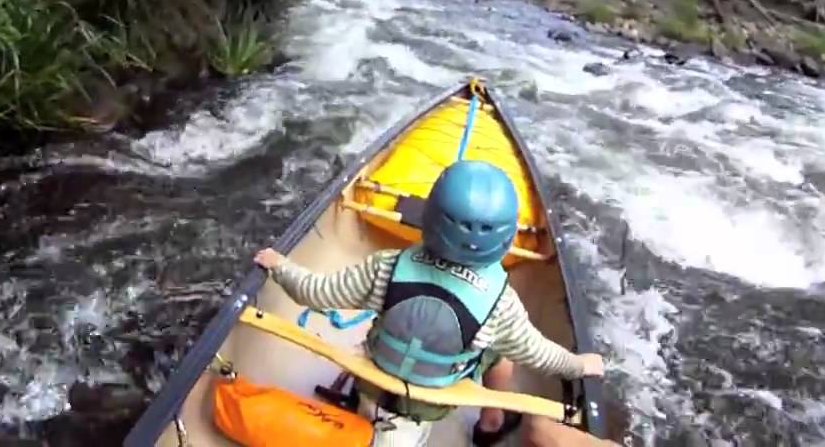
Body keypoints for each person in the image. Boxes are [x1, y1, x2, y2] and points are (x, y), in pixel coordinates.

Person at [253, 159, 605, 447]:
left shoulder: (387, 266)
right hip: (430, 403)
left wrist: (279, 267)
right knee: (500, 351)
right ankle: (492, 418)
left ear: (430, 219)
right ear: (504, 238)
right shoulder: (501, 306)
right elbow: (539, 353)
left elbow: (316, 293)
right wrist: (577, 365)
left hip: (373, 383)